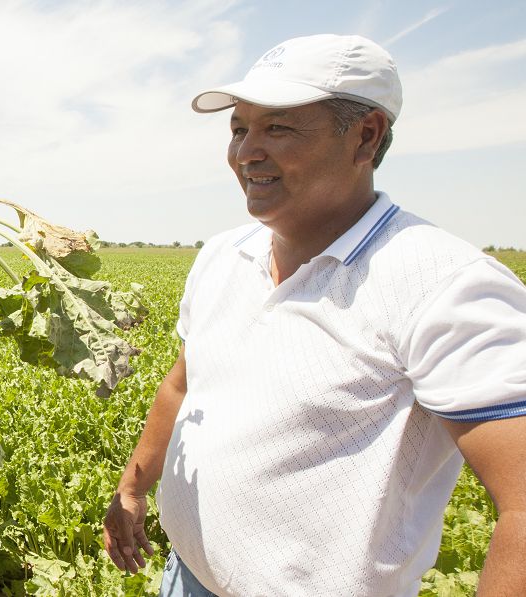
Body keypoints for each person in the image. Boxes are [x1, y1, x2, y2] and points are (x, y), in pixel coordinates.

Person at [103, 34, 526, 596]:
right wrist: (134, 487)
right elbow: (184, 385)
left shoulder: (443, 283)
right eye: (239, 129)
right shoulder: (223, 256)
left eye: (278, 127)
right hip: (189, 576)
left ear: (365, 137)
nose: (246, 152)